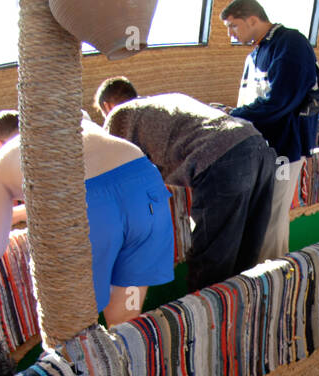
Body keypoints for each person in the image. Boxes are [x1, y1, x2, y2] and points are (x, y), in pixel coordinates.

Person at [0, 113, 174, 325]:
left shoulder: (1, 160)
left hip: (96, 209)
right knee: (124, 321)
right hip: (145, 190)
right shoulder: (76, 124)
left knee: (72, 328)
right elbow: (82, 189)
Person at [96, 77, 276, 290]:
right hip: (258, 145)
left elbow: (116, 179)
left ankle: (205, 321)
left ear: (107, 106)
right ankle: (238, 316)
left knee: (210, 265)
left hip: (222, 158)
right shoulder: (167, 101)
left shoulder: (119, 116)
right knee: (246, 258)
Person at [222, 0, 319, 260]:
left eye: (233, 25)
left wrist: (233, 115)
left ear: (253, 19)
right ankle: (254, 276)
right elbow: (249, 103)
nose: (230, 33)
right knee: (257, 215)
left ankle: (271, 285)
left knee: (272, 217)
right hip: (258, 148)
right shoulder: (254, 54)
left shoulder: (291, 43)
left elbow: (281, 100)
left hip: (285, 148)